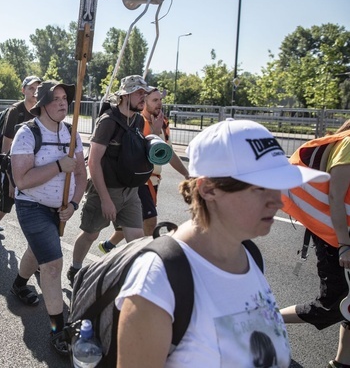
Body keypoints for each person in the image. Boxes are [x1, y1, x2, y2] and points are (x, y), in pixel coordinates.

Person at [115, 119, 330, 367]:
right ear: (208, 190)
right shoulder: (158, 278)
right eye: (261, 188)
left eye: (278, 185)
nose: (278, 202)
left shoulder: (249, 255)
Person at [9, 80, 87, 354]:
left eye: (65, 97)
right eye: (55, 99)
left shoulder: (72, 133)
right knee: (52, 264)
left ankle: (19, 284)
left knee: (40, 249)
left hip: (60, 209)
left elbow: (80, 175)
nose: (63, 103)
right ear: (42, 104)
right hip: (31, 206)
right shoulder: (27, 134)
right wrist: (57, 166)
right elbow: (21, 179)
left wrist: (74, 204)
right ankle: (58, 331)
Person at [279, 119, 350, 368]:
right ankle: (266, 319)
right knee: (332, 304)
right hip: (336, 237)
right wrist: (344, 244)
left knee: (348, 301)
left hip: (341, 235)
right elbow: (335, 195)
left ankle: (342, 362)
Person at [68, 75, 152, 283]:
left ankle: (136, 283)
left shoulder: (139, 120)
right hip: (105, 190)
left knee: (137, 239)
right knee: (90, 234)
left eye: (145, 93)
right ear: (125, 95)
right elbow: (93, 162)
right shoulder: (107, 122)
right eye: (139, 93)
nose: (144, 98)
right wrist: (105, 199)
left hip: (130, 192)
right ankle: (75, 269)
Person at [98, 88, 189, 252]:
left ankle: (108, 246)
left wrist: (186, 173)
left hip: (153, 181)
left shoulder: (163, 122)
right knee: (150, 220)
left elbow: (169, 153)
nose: (159, 104)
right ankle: (145, 255)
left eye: (160, 100)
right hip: (140, 180)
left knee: (136, 221)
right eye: (154, 100)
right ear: (144, 102)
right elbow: (135, 156)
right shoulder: (139, 123)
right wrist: (153, 132)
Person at [0, 75, 41, 250]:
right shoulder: (16, 111)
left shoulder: (42, 110)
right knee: (6, 204)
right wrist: (12, 181)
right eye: (31, 88)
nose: (34, 92)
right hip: (11, 168)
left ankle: (36, 255)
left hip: (33, 168)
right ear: (23, 90)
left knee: (35, 210)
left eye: (37, 88)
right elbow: (6, 150)